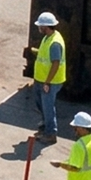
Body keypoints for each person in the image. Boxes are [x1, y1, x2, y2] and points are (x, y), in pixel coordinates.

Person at [31, 12, 66, 141]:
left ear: (46, 27)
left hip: (49, 82)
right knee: (41, 105)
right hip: (41, 79)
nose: (39, 28)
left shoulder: (55, 43)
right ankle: (45, 127)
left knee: (48, 107)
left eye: (40, 26)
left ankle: (50, 134)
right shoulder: (48, 38)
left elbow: (55, 64)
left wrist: (47, 82)